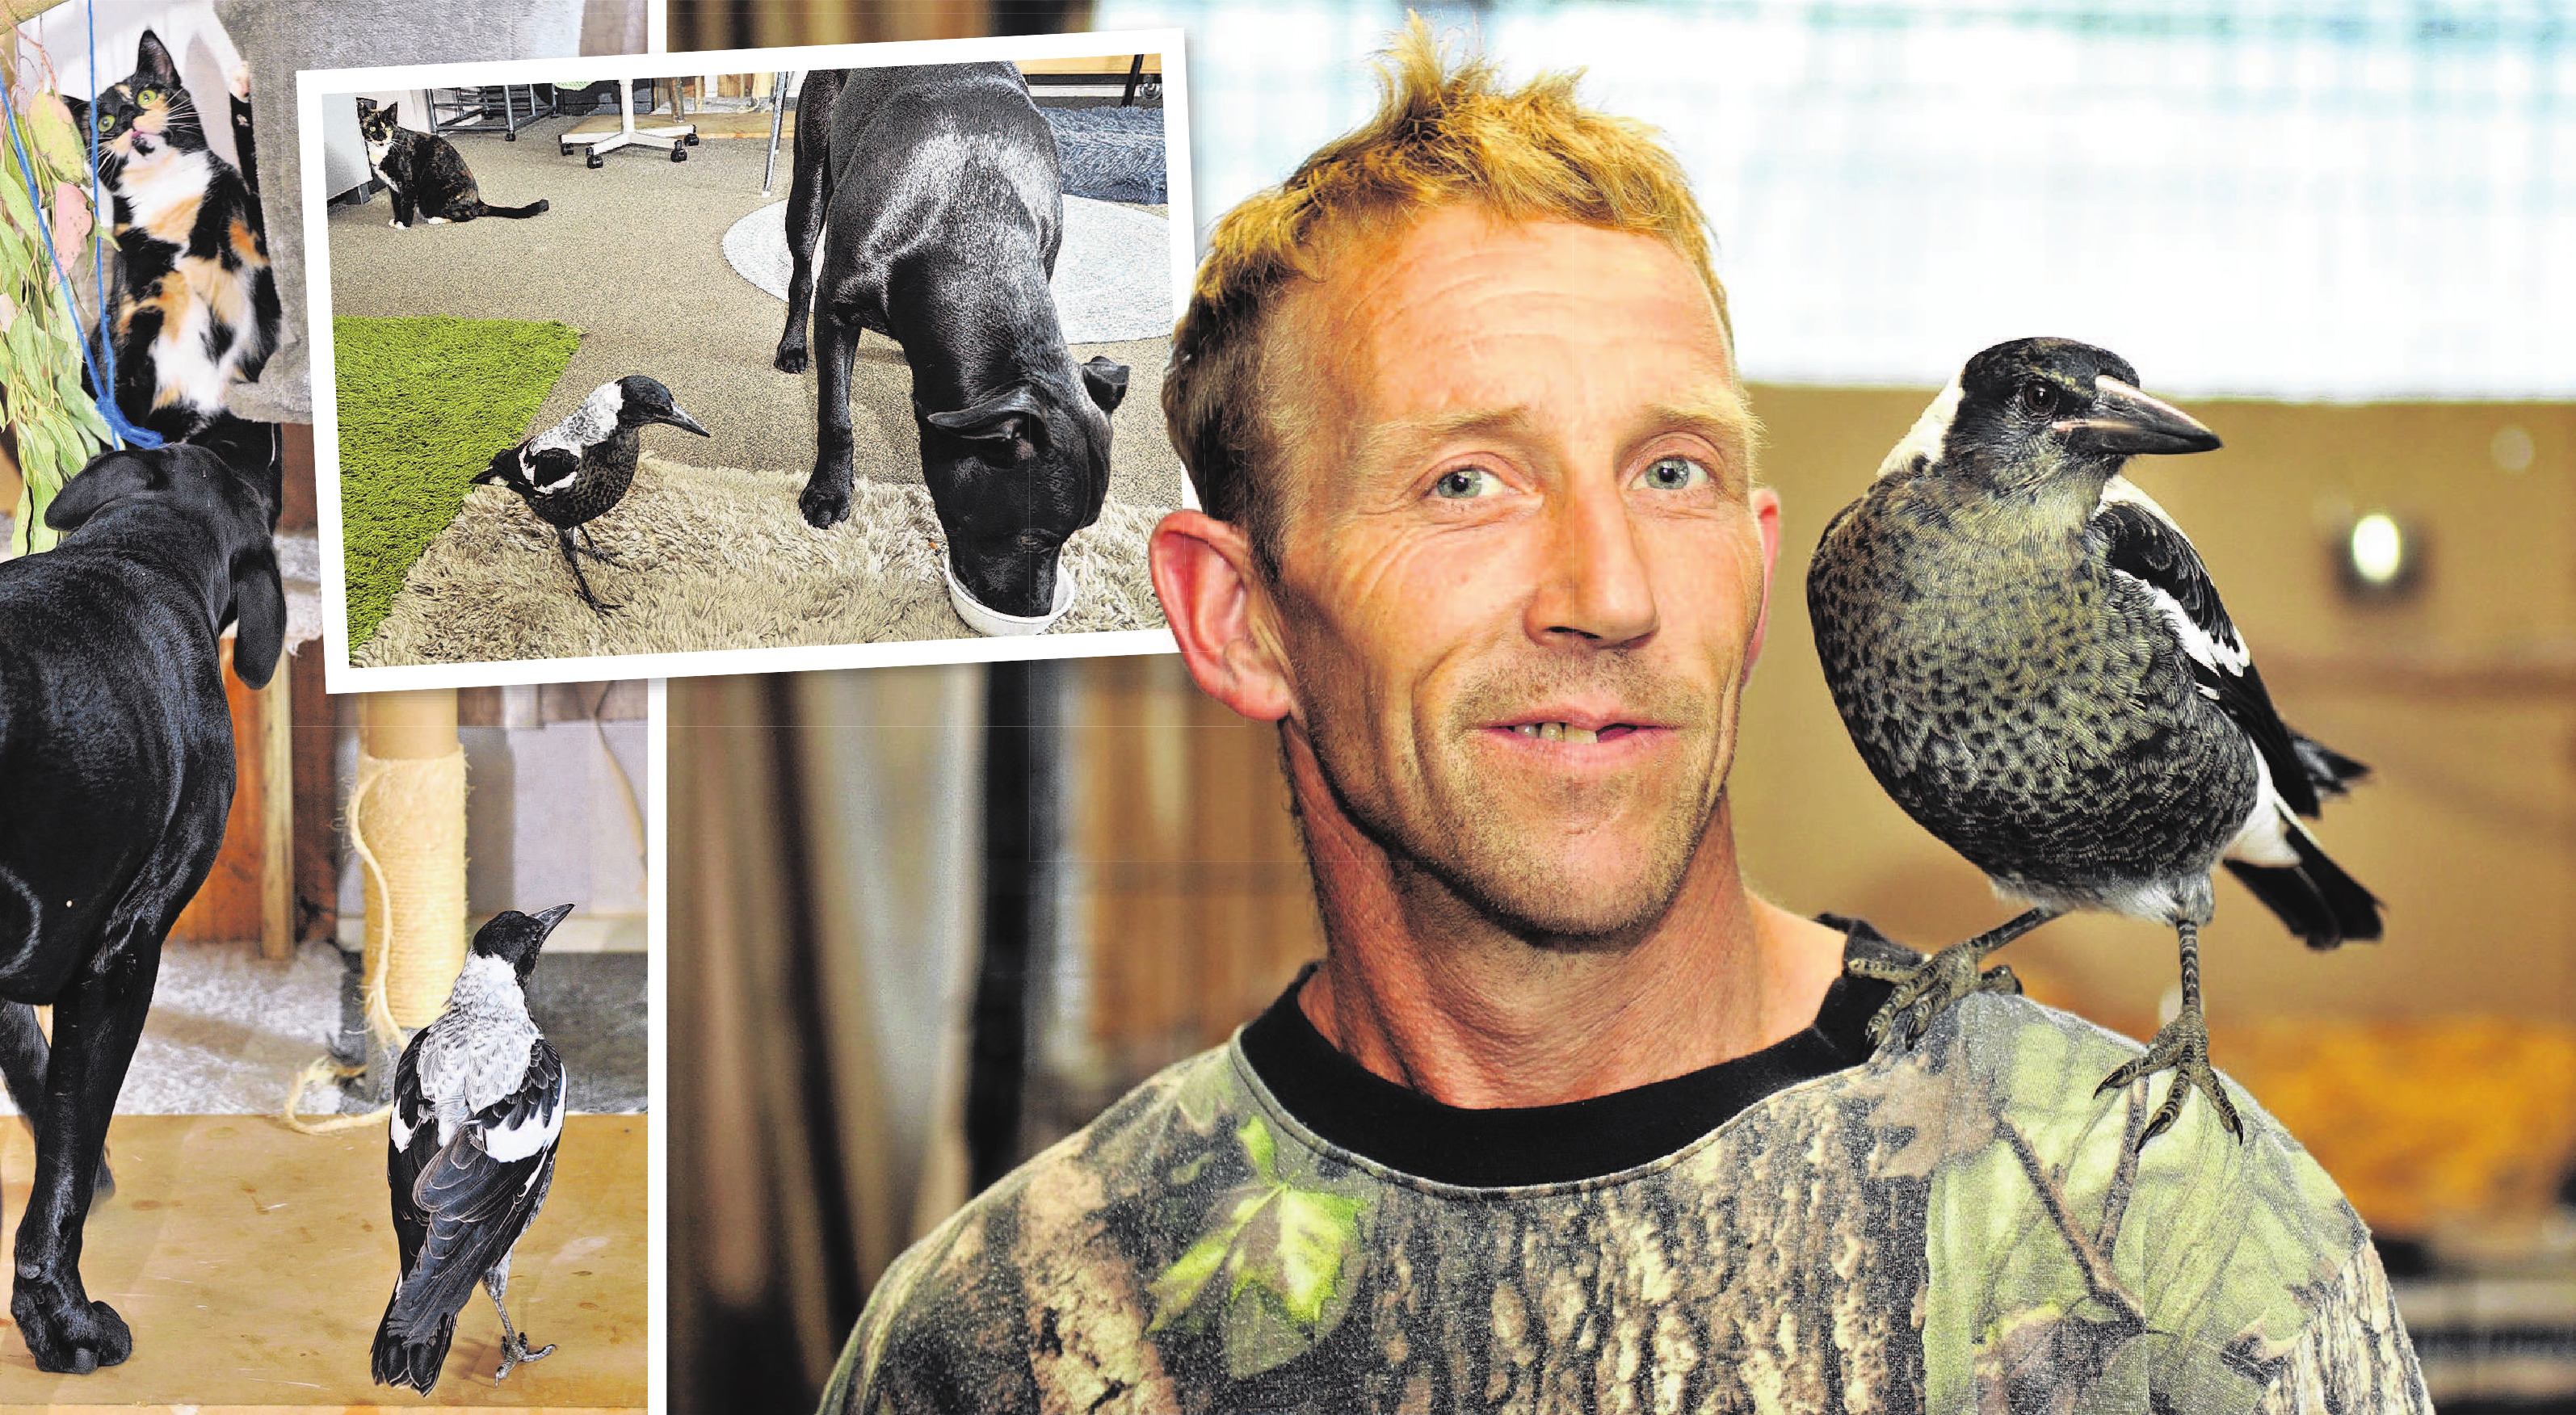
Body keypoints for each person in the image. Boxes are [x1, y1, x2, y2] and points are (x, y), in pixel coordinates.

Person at [821, 27, 2427, 1413]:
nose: (1607, 592)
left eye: (1668, 474)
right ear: (1235, 621)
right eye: (1466, 480)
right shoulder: (1002, 1343)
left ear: (1750, 562)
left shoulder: (2175, 1240)